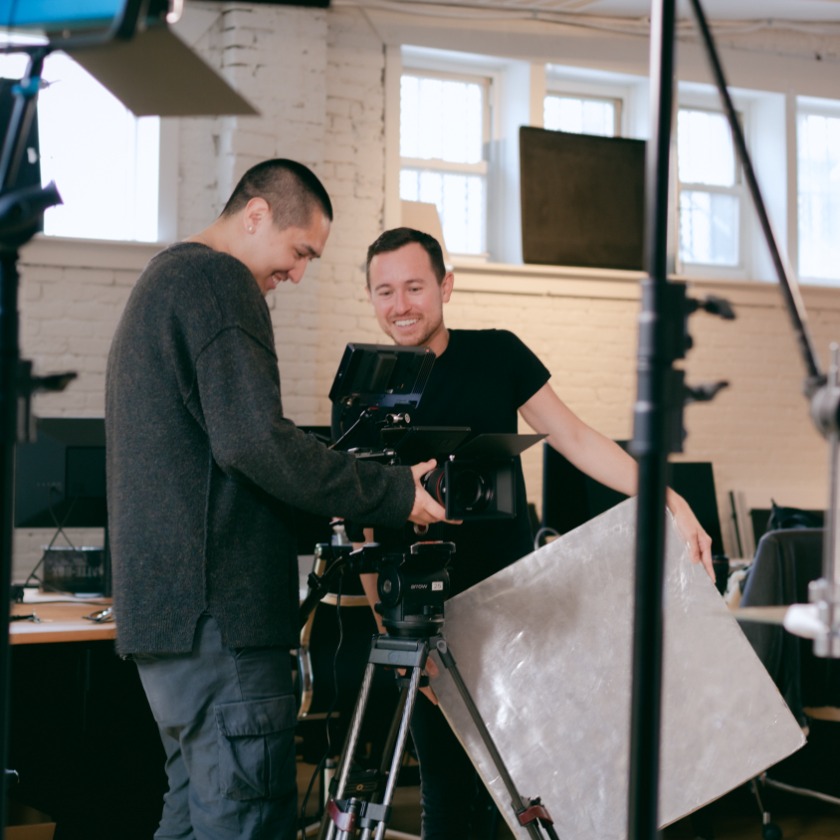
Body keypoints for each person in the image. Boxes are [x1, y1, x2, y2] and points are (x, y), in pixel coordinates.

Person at [104, 162, 450, 840]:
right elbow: (255, 443)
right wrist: (391, 491)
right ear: (256, 215)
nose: (296, 275)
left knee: (191, 818)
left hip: (168, 628)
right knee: (246, 821)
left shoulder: (163, 283)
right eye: (300, 253)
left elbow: (221, 456)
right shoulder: (219, 281)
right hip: (222, 624)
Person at [357, 226, 714, 839]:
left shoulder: (498, 354)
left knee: (526, 791)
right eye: (384, 291)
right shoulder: (366, 387)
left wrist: (668, 497)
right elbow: (364, 524)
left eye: (415, 286)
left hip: (513, 608)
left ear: (446, 286)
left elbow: (574, 437)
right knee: (445, 789)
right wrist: (390, 636)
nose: (401, 305)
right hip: (423, 622)